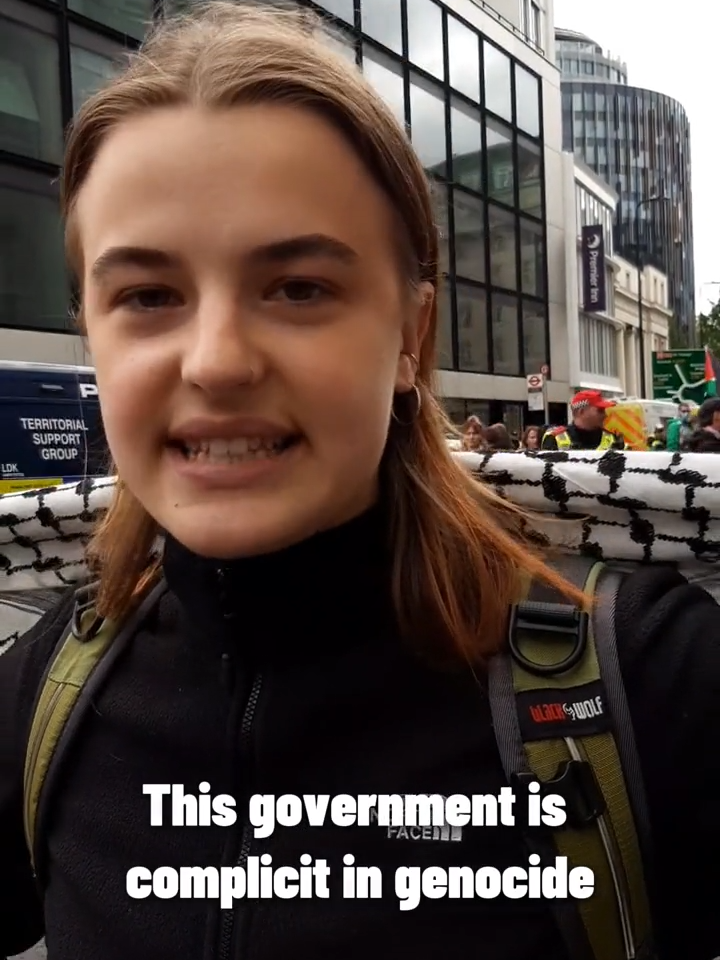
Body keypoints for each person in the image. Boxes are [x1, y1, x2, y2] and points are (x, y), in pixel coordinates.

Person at [0, 5, 718, 960]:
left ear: (412, 339)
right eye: (148, 296)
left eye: (299, 287)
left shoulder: (653, 684)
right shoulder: (46, 694)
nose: (214, 362)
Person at [541, 390, 625, 451]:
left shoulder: (613, 439)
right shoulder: (554, 438)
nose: (605, 415)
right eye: (600, 410)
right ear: (581, 412)